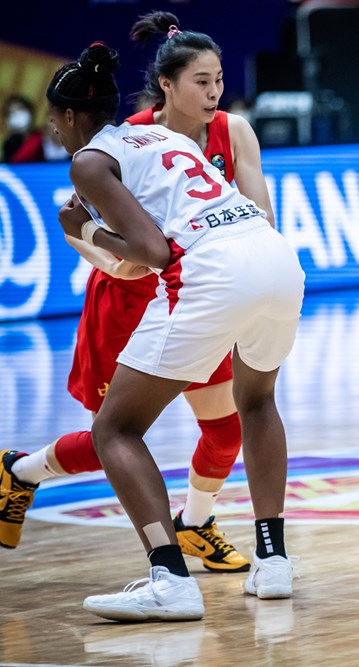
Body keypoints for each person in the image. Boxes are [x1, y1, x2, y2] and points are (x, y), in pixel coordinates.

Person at [0, 12, 277, 576]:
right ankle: (22, 473)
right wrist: (113, 252)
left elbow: (260, 216)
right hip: (130, 295)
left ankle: (195, 523)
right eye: (202, 81)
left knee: (223, 430)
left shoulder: (231, 131)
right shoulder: (124, 141)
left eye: (219, 79)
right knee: (119, 434)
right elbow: (117, 253)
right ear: (167, 87)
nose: (215, 92)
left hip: (201, 288)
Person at [2, 95, 45, 163]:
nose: (17, 115)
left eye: (20, 109)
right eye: (11, 113)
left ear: (30, 112)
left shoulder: (43, 139)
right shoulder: (9, 145)